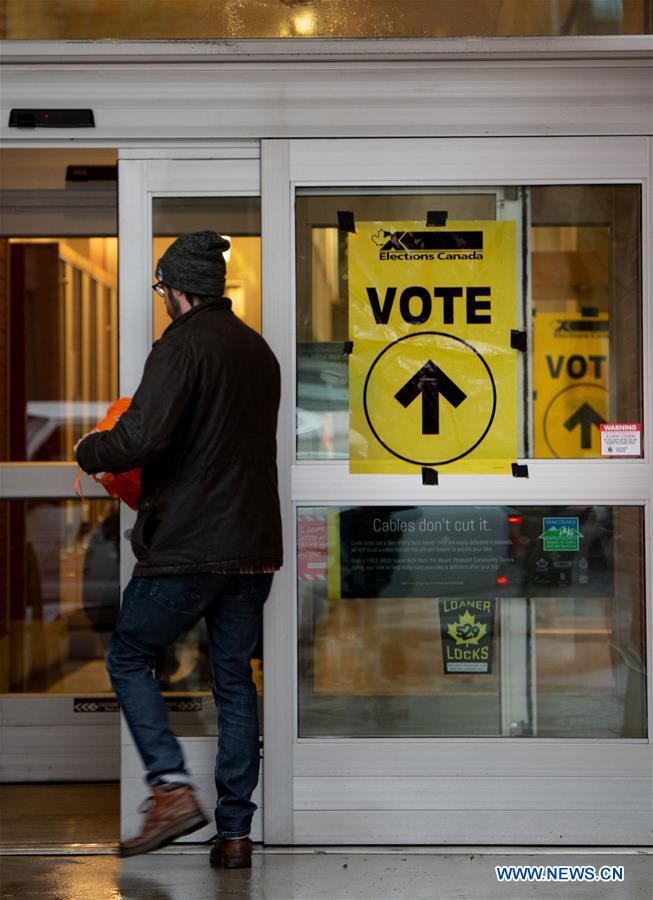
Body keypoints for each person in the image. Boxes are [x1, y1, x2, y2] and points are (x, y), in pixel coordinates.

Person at [75, 231, 282, 867]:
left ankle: (168, 790)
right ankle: (235, 833)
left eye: (162, 288)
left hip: (190, 546)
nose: (162, 298)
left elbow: (140, 436)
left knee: (131, 655)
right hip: (252, 550)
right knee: (234, 682)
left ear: (179, 290)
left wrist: (90, 449)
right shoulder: (258, 352)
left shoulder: (181, 348)